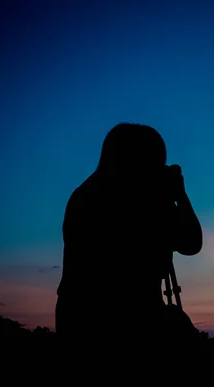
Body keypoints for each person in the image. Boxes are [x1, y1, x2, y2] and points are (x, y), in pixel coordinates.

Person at [55, 123, 203, 346]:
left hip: (77, 322)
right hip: (134, 324)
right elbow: (192, 243)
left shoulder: (84, 195)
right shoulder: (143, 199)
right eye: (156, 163)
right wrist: (180, 196)